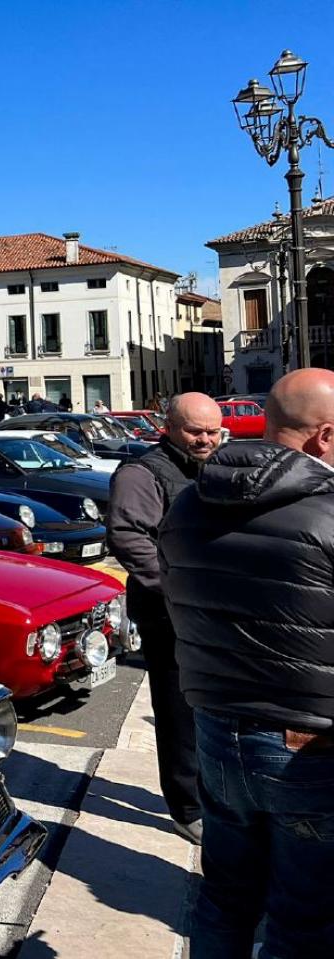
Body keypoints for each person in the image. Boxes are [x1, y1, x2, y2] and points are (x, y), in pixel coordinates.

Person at [159, 369, 334, 959]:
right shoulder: (327, 511)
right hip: (306, 744)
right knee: (305, 916)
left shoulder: (189, 502)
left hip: (217, 728)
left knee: (225, 898)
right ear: (324, 437)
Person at [107, 392, 221, 846]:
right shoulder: (141, 473)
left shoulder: (213, 465)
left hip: (211, 612)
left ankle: (212, 795)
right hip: (169, 613)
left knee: (211, 709)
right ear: (168, 427)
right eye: (195, 431)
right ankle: (187, 809)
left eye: (213, 431)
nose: (206, 439)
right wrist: (182, 587)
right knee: (178, 713)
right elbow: (128, 539)